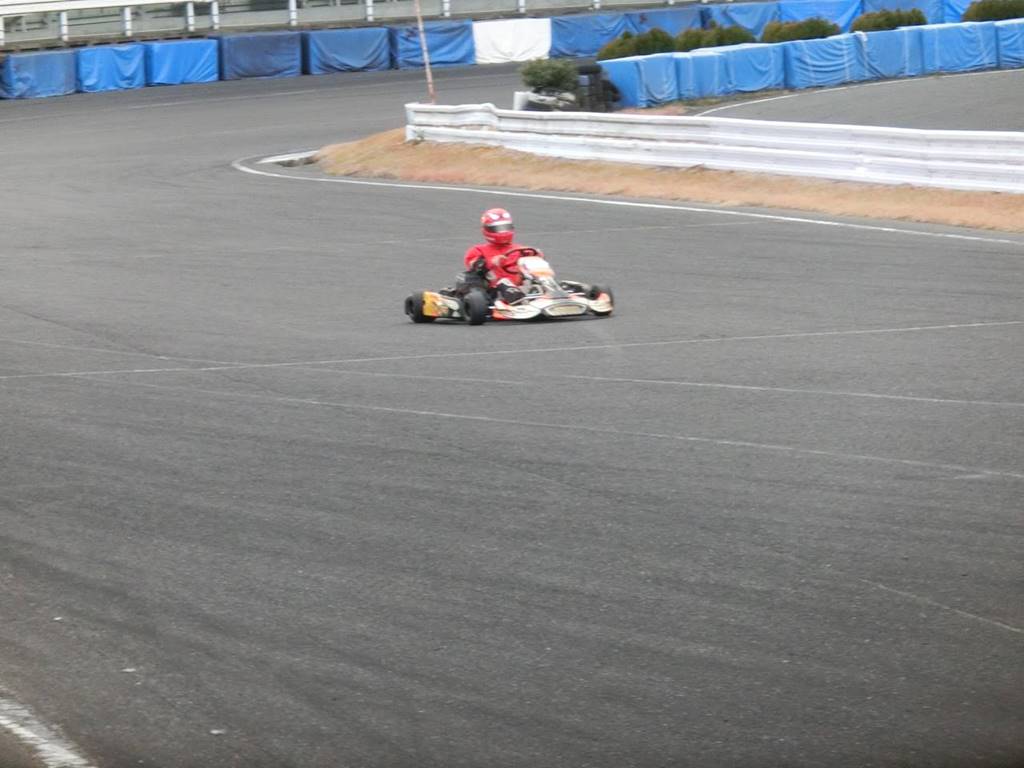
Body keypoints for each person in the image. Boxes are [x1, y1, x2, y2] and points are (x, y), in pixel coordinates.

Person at [461, 208, 541, 305]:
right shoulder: (478, 250)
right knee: (503, 282)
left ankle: (546, 294)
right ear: (487, 229)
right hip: (494, 290)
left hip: (520, 286)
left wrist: (536, 257)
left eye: (506, 227)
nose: (503, 232)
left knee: (537, 278)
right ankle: (517, 299)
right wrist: (490, 263)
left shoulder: (521, 249)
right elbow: (474, 266)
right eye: (498, 229)